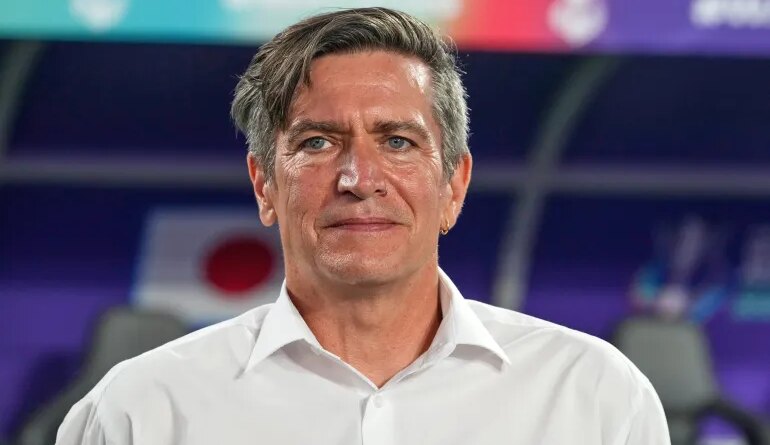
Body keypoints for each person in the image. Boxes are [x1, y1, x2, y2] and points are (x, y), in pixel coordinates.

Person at [56, 7, 670, 444]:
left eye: (398, 141)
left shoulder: (592, 396)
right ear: (264, 183)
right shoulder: (142, 411)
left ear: (454, 184)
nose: (359, 177)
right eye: (318, 142)